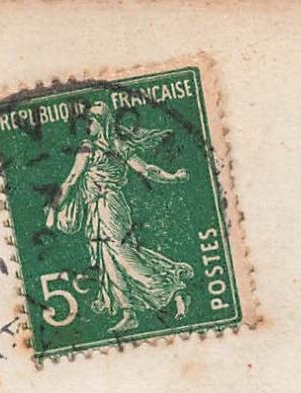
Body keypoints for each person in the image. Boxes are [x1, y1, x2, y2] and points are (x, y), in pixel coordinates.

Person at [46, 102, 195, 333]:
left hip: (109, 208)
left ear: (102, 122)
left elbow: (72, 179)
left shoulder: (94, 147)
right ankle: (129, 313)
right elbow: (146, 170)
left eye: (92, 120)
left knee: (122, 256)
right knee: (109, 258)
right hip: (98, 209)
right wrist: (173, 177)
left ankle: (172, 289)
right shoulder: (115, 146)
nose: (88, 125)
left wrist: (54, 208)